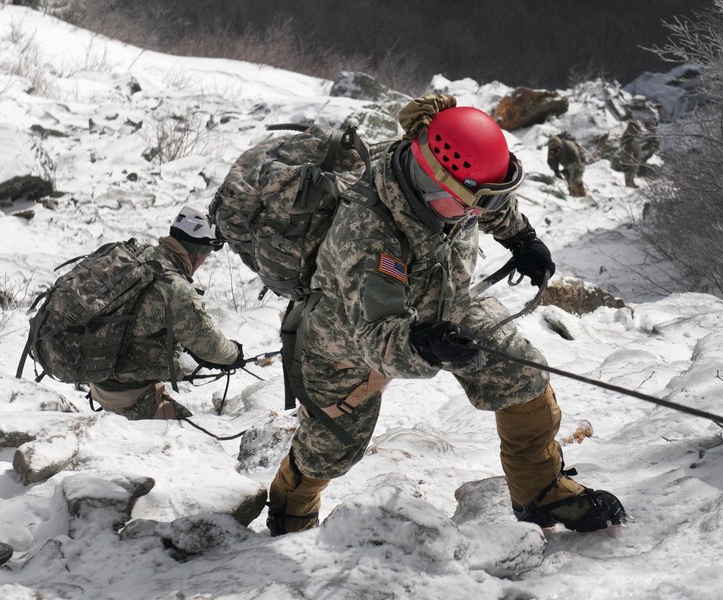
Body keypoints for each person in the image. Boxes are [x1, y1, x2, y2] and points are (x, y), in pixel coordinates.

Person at [267, 94, 626, 535]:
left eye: (486, 205)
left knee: (522, 375)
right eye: (473, 206)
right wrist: (425, 342)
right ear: (434, 182)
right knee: (331, 449)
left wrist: (521, 238)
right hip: (347, 340)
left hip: (444, 301)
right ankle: (291, 513)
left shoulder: (450, 186)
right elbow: (376, 337)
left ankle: (541, 493)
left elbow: (485, 198)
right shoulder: (367, 234)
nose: (479, 214)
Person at [88, 207, 246, 420]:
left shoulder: (140, 256)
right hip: (130, 394)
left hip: (99, 380)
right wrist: (235, 354)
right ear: (196, 254)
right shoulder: (175, 288)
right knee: (194, 442)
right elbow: (211, 346)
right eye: (206, 256)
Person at [547, 132, 587, 197]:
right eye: (553, 151)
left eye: (557, 150)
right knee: (569, 179)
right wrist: (556, 170)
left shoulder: (570, 146)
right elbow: (551, 161)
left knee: (576, 179)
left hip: (579, 160)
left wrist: (567, 168)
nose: (555, 153)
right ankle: (573, 196)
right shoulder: (552, 150)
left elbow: (577, 162)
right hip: (566, 163)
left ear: (561, 146)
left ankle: (582, 195)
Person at [618, 120, 644, 188]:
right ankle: (629, 184)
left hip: (633, 161)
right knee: (629, 172)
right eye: (635, 130)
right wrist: (630, 162)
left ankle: (631, 182)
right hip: (629, 162)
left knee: (632, 173)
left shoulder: (631, 139)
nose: (637, 132)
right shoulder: (627, 141)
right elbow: (626, 153)